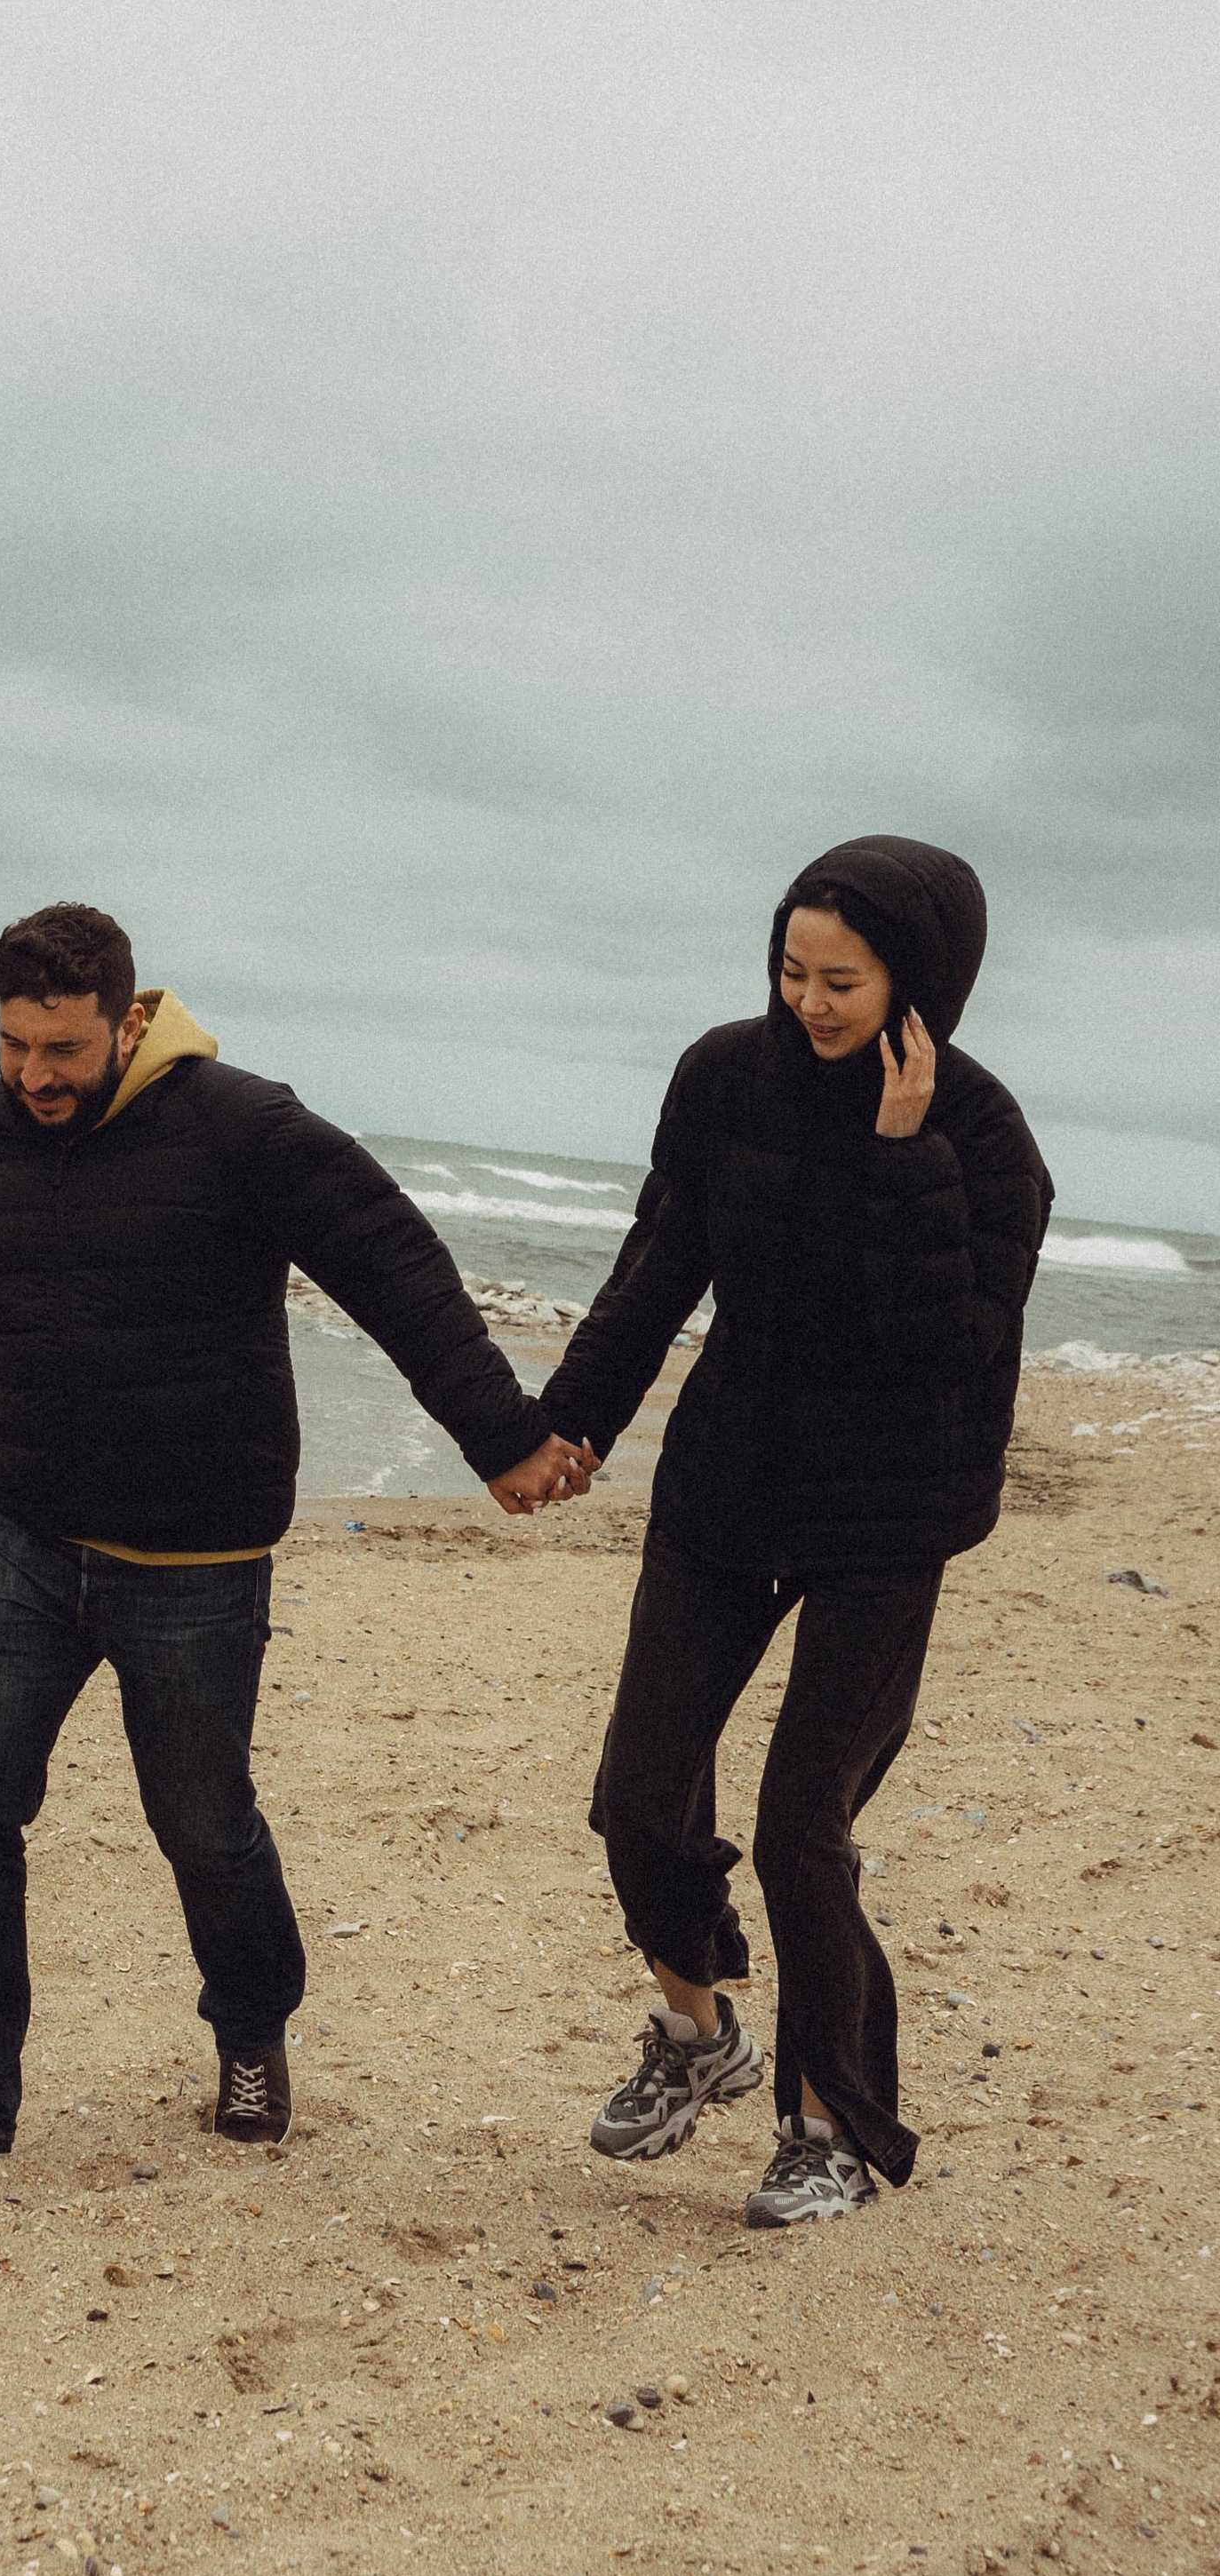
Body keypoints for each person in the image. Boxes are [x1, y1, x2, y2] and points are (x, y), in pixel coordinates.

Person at [0, 901, 594, 2166]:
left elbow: (392, 1263)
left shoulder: (243, 1127)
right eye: (14, 1044)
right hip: (22, 1540)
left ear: (131, 1020)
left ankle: (250, 2034)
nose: (34, 1076)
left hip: (195, 1562)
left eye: (61, 1049)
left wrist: (499, 1434)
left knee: (202, 1823)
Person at [536, 836, 1051, 2226]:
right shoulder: (724, 1077)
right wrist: (569, 1422)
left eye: (842, 980)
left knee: (798, 1829)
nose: (811, 1003)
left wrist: (901, 1159)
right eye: (791, 970)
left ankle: (834, 2128)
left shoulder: (989, 1142)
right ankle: (699, 2037)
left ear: (918, 981)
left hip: (893, 1506)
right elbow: (659, 1262)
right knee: (639, 1794)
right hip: (732, 1479)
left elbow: (947, 1353)